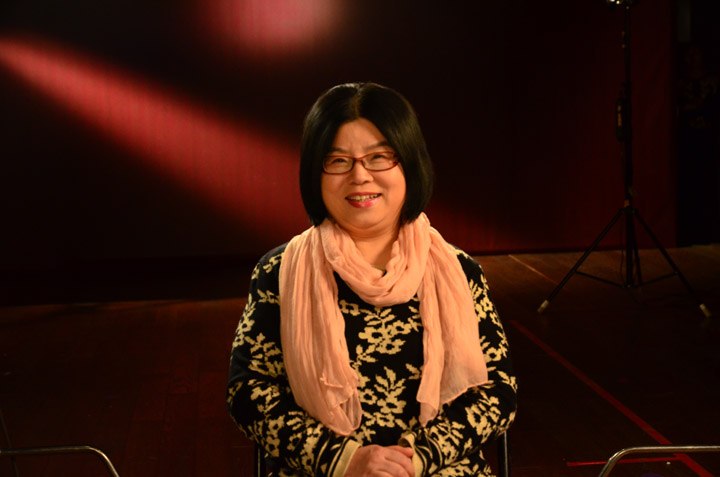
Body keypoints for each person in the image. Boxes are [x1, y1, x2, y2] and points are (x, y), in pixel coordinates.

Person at [227, 82, 517, 477]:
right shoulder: (278, 271)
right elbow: (248, 391)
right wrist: (344, 461)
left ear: (409, 163)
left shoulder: (459, 270)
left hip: (438, 468)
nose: (360, 175)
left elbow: (497, 390)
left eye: (379, 157)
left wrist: (416, 459)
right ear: (315, 172)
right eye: (338, 160)